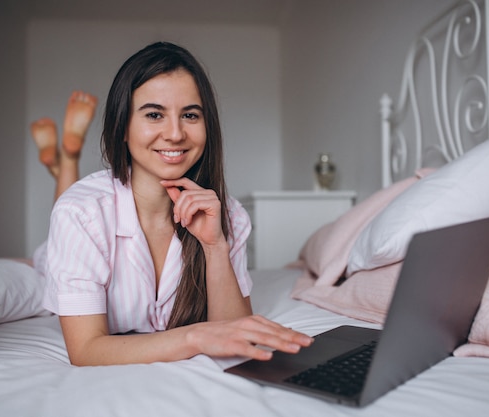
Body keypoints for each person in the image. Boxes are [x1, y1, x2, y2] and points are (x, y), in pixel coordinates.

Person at [32, 42, 313, 367]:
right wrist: (193, 337)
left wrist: (214, 245)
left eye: (190, 115)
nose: (176, 134)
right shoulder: (81, 213)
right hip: (55, 256)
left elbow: (233, 332)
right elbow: (85, 350)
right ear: (122, 127)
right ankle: (67, 161)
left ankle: (65, 160)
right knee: (34, 266)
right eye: (154, 114)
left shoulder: (228, 213)